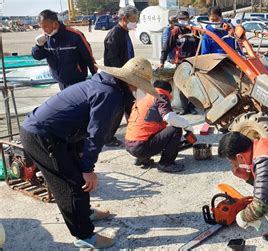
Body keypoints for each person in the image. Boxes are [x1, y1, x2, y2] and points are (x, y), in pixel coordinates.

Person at [20, 57, 159, 249]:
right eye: (137, 86)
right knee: (70, 185)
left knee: (79, 178)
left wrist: (83, 164)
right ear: (130, 82)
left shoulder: (107, 84)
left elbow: (88, 129)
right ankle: (85, 236)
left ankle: (84, 212)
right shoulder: (109, 94)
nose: (137, 90)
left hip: (61, 134)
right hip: (41, 136)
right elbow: (96, 135)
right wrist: (88, 168)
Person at [125, 80, 193, 172]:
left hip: (129, 145)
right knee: (175, 129)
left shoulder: (143, 99)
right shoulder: (160, 95)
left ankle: (143, 158)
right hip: (141, 147)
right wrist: (187, 126)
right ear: (168, 91)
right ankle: (166, 163)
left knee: (158, 129)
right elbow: (169, 116)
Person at [32, 9, 97, 90]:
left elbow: (88, 56)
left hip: (77, 81)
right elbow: (38, 57)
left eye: (45, 27)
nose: (44, 30)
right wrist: (39, 45)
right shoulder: (46, 38)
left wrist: (95, 76)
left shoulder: (74, 35)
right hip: (61, 82)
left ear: (55, 23)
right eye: (42, 27)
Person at [103, 5, 139, 147]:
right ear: (124, 19)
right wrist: (126, 80)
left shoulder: (124, 32)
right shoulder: (114, 35)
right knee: (119, 108)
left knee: (130, 106)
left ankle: (135, 131)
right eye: (133, 20)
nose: (135, 23)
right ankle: (108, 137)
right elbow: (114, 62)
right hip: (117, 78)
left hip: (126, 76)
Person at [159, 11, 200, 115]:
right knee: (181, 86)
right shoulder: (175, 32)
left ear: (188, 19)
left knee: (193, 85)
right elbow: (166, 47)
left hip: (192, 62)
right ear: (177, 20)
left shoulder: (194, 31)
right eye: (180, 19)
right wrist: (162, 61)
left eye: (184, 19)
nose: (182, 21)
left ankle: (192, 107)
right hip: (180, 63)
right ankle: (183, 108)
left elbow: (200, 45)